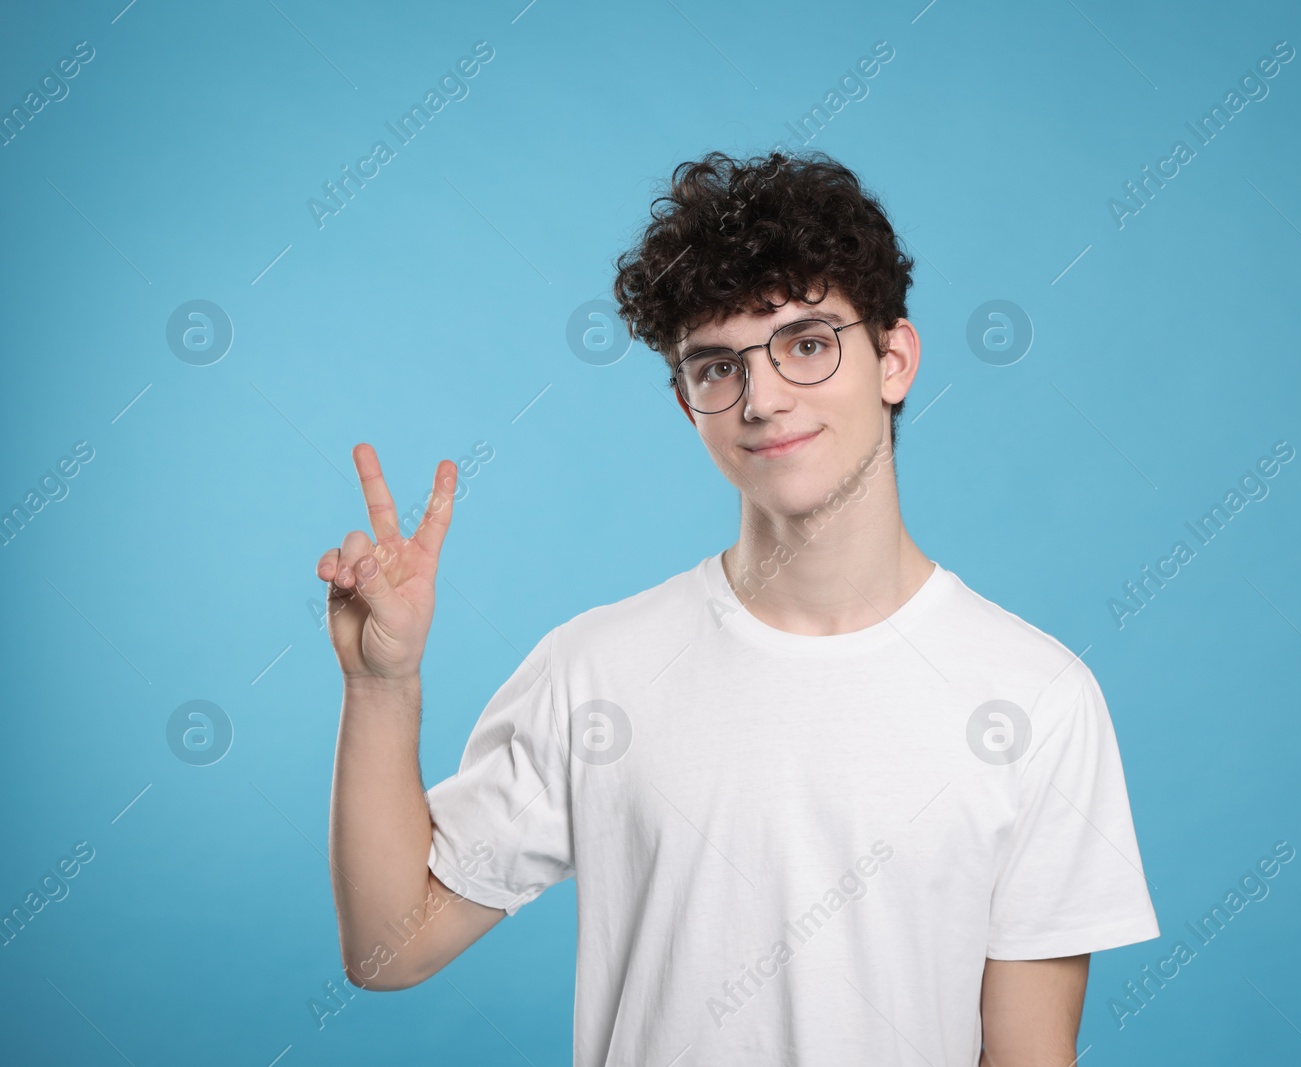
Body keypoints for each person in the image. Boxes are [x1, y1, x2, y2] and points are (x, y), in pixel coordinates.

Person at [321, 149, 1159, 1066]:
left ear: (894, 359)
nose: (762, 399)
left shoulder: (1038, 699)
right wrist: (380, 686)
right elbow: (387, 949)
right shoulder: (596, 669)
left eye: (806, 343)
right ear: (688, 403)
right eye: (718, 365)